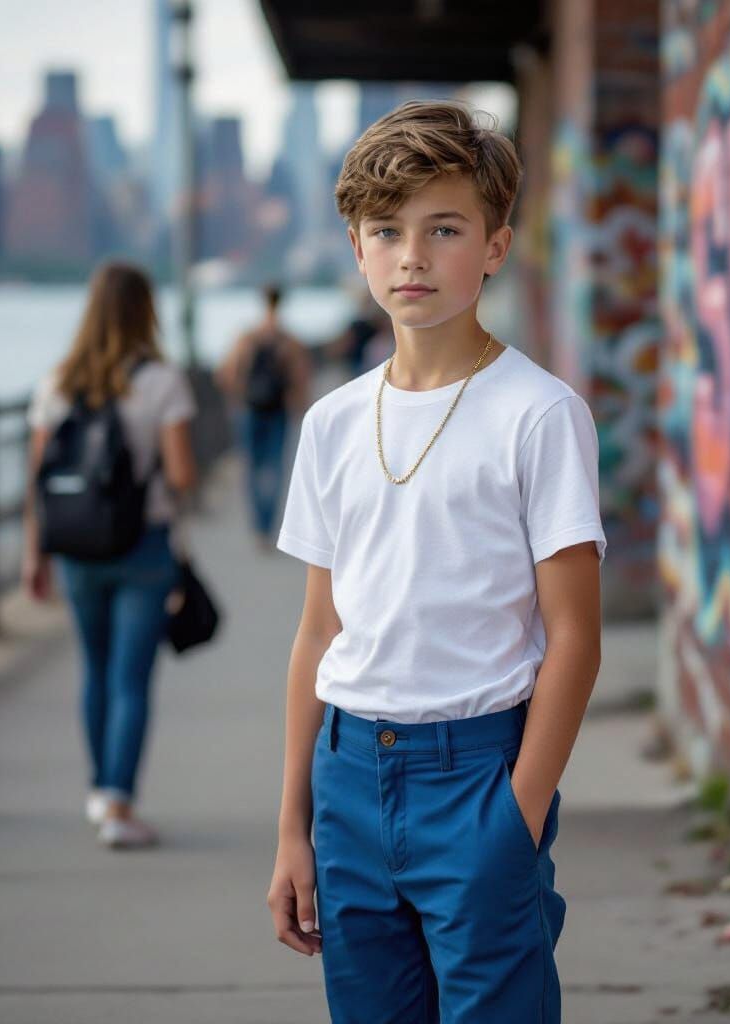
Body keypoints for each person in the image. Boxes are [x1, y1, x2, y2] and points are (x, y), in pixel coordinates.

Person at [266, 100, 606, 1022]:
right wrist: (292, 825)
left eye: (444, 229)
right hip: (344, 781)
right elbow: (318, 632)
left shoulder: (538, 413)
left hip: (479, 775)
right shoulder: (332, 422)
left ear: (494, 246)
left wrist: (519, 814)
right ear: (357, 248)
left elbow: (574, 634)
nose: (412, 255)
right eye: (388, 231)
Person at [21, 260, 198, 850]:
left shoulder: (57, 382)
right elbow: (181, 473)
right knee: (131, 679)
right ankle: (119, 805)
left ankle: (100, 790)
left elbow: (38, 479)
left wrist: (33, 555)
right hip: (143, 546)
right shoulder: (161, 381)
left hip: (75, 549)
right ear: (145, 311)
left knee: (94, 671)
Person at [216, 284, 311, 553]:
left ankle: (258, 527)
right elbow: (300, 378)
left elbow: (226, 374)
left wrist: (238, 398)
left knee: (252, 468)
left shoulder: (248, 337)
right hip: (278, 410)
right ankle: (268, 528)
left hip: (250, 409)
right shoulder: (289, 340)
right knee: (276, 468)